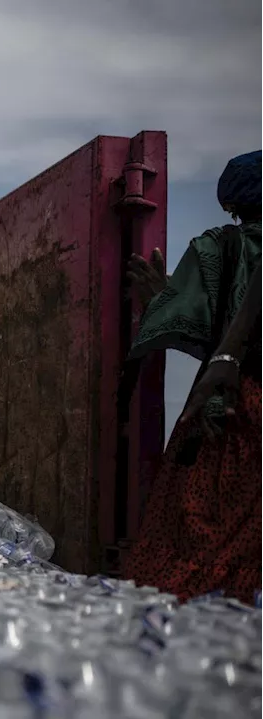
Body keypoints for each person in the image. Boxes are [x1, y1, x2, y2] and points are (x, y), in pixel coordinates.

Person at [123, 150, 263, 601]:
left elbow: (185, 325)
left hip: (234, 399)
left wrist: (158, 298)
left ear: (232, 204)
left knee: (200, 525)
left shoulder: (218, 248)